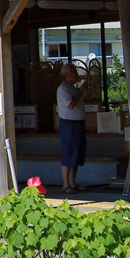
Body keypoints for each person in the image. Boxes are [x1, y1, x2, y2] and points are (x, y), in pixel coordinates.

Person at [57, 64, 88, 194]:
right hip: (69, 124)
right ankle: (66, 184)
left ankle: (72, 182)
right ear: (66, 75)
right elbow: (70, 105)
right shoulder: (63, 89)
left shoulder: (72, 88)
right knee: (69, 152)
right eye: (73, 72)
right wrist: (81, 92)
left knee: (77, 153)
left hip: (78, 123)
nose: (76, 75)